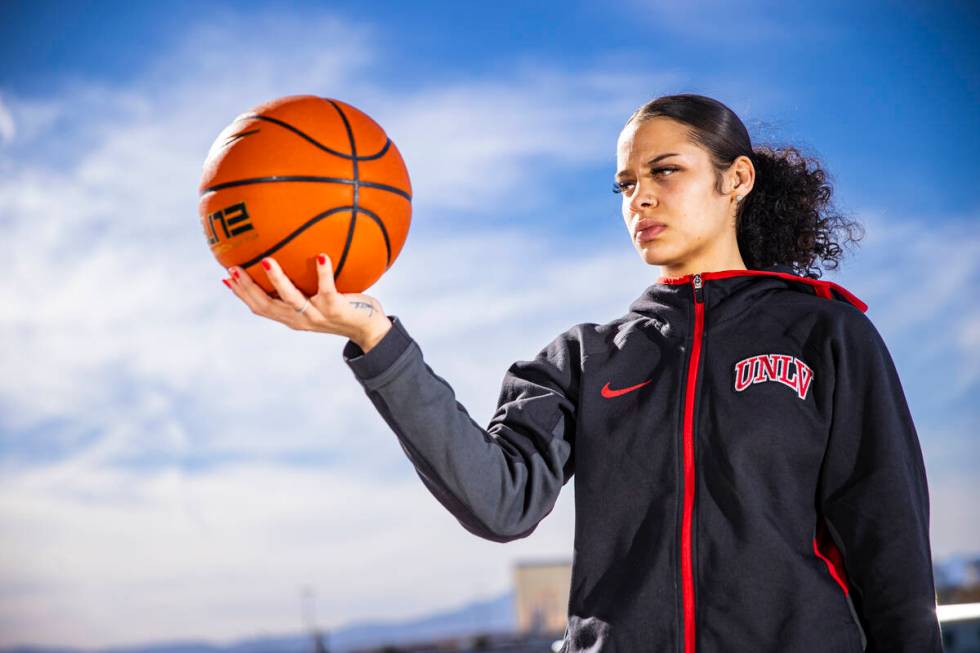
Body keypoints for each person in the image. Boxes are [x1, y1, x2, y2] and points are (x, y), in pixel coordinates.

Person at [221, 93, 944, 652]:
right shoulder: (585, 357)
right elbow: (501, 502)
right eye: (625, 183)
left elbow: (891, 552)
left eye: (666, 171)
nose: (641, 198)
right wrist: (374, 337)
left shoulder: (826, 333)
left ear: (737, 179)